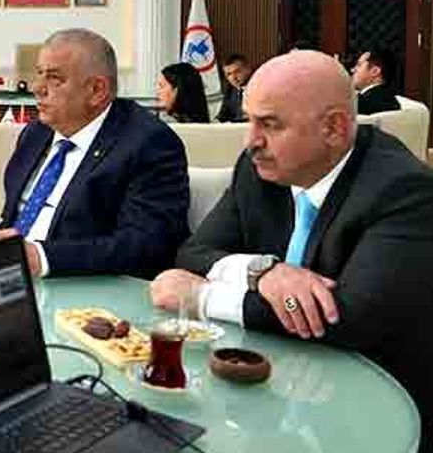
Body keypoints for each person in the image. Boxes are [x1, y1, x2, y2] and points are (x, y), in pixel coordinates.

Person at [149, 50, 433, 451]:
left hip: (374, 414)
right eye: (249, 120)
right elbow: (196, 251)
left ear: (334, 127)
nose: (251, 141)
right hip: (273, 386)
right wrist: (263, 272)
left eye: (270, 124)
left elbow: (348, 318)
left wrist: (203, 297)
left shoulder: (404, 190)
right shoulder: (259, 168)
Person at [0, 29, 189, 278]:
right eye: (39, 74)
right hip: (12, 279)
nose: (37, 88)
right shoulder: (35, 134)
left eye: (54, 78)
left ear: (97, 90)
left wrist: (43, 258)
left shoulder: (148, 143)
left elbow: (142, 245)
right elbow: (13, 218)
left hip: (83, 289)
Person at [351, 49, 401, 115]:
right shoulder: (391, 100)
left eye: (359, 65)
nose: (352, 70)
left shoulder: (361, 104)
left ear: (375, 71)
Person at [216, 53, 252, 123]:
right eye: (229, 74)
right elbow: (222, 116)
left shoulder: (261, 88)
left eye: (237, 71)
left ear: (248, 69)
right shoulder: (230, 90)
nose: (233, 77)